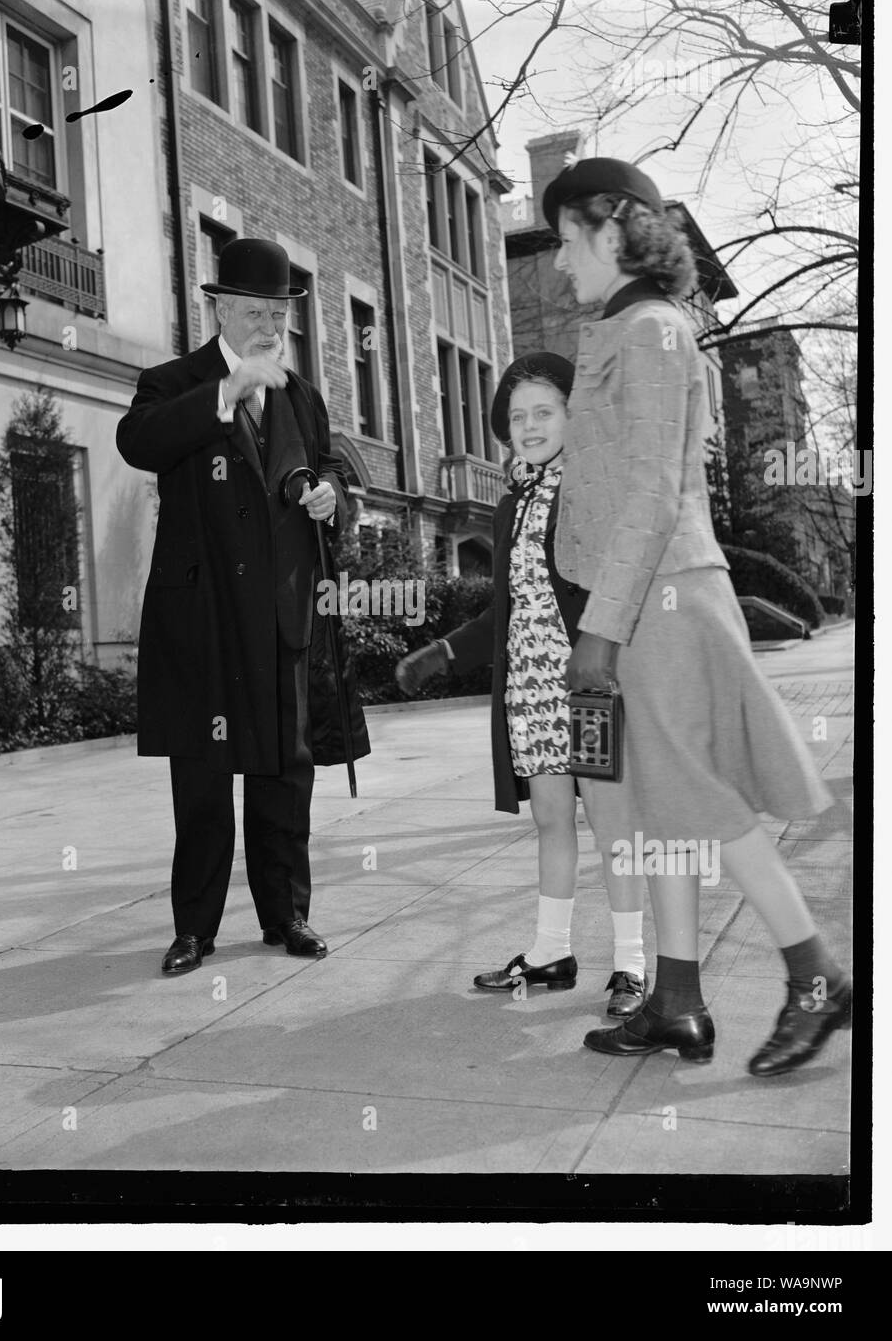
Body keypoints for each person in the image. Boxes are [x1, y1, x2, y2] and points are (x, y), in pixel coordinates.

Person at [543, 157, 851, 1074]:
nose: (559, 263)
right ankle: (676, 1004)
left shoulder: (648, 331)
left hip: (658, 602)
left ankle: (817, 974)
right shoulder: (631, 328)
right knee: (664, 806)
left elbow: (646, 493)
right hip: (642, 599)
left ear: (610, 228)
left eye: (564, 240)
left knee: (700, 798)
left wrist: (598, 625)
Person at [117, 238, 368, 975]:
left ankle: (286, 914)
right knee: (200, 780)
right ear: (220, 307)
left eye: (280, 313)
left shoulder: (302, 397)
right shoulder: (173, 382)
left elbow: (325, 468)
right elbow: (139, 442)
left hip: (283, 617)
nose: (270, 326)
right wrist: (224, 396)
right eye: (255, 311)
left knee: (285, 774)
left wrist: (333, 498)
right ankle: (193, 928)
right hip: (203, 620)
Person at [396, 354, 648, 1019]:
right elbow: (506, 609)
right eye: (517, 417)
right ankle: (550, 953)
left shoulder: (591, 490)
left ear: (572, 415)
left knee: (610, 823)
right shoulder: (513, 503)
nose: (529, 425)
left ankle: (629, 965)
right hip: (530, 691)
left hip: (587, 683)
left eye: (544, 411)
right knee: (550, 820)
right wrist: (444, 651)